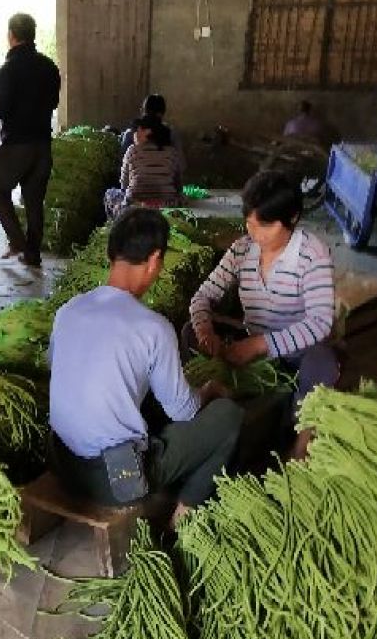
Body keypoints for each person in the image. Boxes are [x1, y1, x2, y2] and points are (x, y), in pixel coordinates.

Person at [49, 207, 243, 522]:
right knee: (228, 417)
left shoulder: (69, 310)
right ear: (154, 261)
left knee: (145, 397)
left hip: (62, 463)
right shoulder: (153, 327)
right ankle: (180, 522)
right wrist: (208, 390)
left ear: (112, 254)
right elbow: (185, 412)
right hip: (115, 481)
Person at [186, 170, 338, 455]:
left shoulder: (312, 253)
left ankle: (302, 441)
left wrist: (261, 345)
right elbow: (202, 297)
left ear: (292, 218)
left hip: (293, 352)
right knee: (188, 331)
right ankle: (226, 394)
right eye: (249, 224)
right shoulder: (242, 249)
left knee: (323, 361)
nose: (254, 234)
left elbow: (320, 323)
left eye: (265, 226)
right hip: (248, 341)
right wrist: (205, 330)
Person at [0, 13, 61, 269]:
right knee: (34, 201)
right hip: (43, 144)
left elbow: (1, 108)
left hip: (18, 146)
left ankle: (17, 241)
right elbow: (53, 103)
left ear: (11, 36)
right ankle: (33, 254)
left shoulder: (10, 69)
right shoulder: (50, 68)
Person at [104, 115, 182, 220]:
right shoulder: (172, 152)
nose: (134, 135)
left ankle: (116, 225)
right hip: (166, 206)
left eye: (137, 131)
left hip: (135, 206)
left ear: (147, 132)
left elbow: (124, 183)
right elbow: (178, 185)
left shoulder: (132, 150)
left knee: (110, 193)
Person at [120, 93, 186, 173]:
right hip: (164, 183)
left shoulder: (131, 133)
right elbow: (181, 166)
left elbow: (121, 165)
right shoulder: (171, 134)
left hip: (136, 183)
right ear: (162, 113)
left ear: (143, 111)